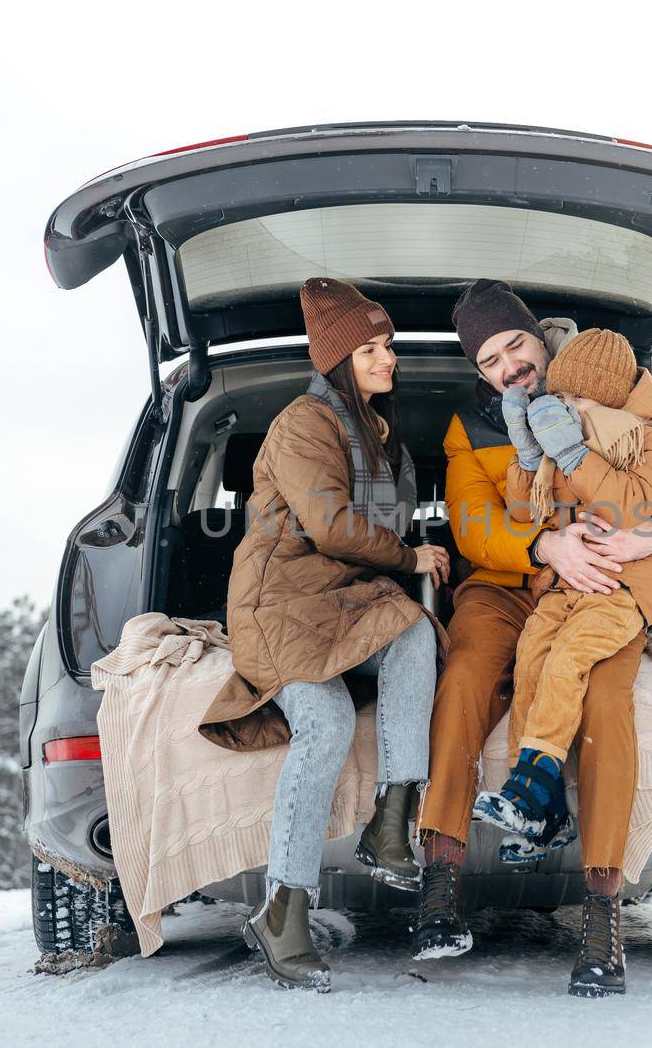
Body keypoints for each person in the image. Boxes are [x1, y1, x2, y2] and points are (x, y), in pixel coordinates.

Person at [412, 279, 652, 998]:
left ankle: (603, 910)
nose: (509, 365)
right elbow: (471, 525)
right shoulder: (474, 426)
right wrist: (548, 546)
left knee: (609, 695)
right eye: (490, 359)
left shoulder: (607, 391)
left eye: (516, 344)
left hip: (604, 581)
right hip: (506, 582)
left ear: (538, 338)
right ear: (479, 371)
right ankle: (440, 876)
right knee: (462, 676)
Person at [200, 277, 450, 993]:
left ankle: (392, 819)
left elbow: (385, 527)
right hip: (280, 603)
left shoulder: (380, 433)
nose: (387, 359)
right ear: (338, 358)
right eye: (370, 349)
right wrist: (409, 558)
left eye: (388, 345)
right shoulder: (304, 422)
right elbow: (332, 528)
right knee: (328, 722)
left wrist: (418, 557)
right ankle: (282, 912)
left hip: (340, 600)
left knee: (413, 632)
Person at [474, 328, 652, 851]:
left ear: (608, 395)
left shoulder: (648, 439)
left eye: (577, 398)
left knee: (568, 658)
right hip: (568, 584)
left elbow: (630, 503)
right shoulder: (576, 439)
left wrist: (571, 455)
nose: (567, 407)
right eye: (561, 398)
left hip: (622, 587)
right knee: (532, 657)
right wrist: (527, 456)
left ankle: (530, 788)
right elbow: (527, 514)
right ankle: (542, 817)